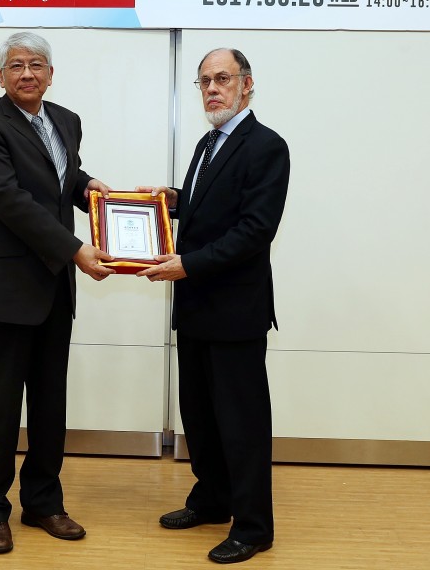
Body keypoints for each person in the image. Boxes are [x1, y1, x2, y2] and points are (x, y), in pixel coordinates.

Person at [0, 31, 114, 555]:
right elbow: (10, 198)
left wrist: (88, 187)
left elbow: (58, 180)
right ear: (1, 76)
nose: (28, 74)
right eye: (17, 66)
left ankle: (44, 502)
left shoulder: (66, 120)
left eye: (38, 65)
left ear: (51, 74)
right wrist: (75, 249)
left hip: (52, 290)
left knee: (50, 406)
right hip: (4, 290)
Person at [138, 48, 290, 564]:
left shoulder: (267, 146)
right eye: (204, 81)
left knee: (242, 423)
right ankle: (212, 499)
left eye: (222, 79)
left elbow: (254, 229)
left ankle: (253, 526)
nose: (211, 89)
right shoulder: (207, 143)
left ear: (247, 84)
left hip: (235, 310)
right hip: (197, 306)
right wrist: (176, 201)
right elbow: (215, 209)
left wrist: (189, 264)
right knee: (199, 415)